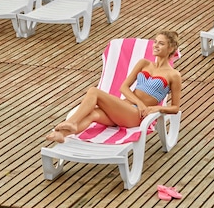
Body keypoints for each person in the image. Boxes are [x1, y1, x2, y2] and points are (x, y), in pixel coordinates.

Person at [46, 30, 181, 143]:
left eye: (161, 43)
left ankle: (72, 122)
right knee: (92, 114)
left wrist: (155, 108)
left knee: (94, 91)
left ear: (170, 49)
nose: (155, 45)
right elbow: (124, 87)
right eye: (155, 42)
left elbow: (175, 108)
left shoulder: (173, 75)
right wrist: (139, 102)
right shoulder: (144, 63)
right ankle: (62, 134)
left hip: (135, 115)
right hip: (124, 108)